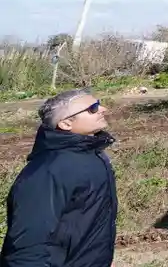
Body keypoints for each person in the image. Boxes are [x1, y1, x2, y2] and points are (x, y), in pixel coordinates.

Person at [2, 89, 117, 267]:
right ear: (66, 124)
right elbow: (29, 246)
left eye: (98, 103)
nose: (103, 108)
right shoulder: (49, 170)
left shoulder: (94, 156)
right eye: (92, 108)